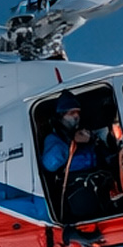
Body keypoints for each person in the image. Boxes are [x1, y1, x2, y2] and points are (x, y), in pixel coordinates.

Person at [40, 92, 110, 222]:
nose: (77, 116)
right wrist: (72, 142)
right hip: (76, 190)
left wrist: (95, 141)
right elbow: (49, 164)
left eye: (78, 112)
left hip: (99, 186)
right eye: (72, 113)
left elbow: (105, 156)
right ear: (61, 116)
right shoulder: (54, 139)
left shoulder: (85, 135)